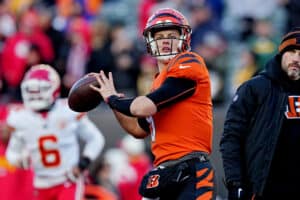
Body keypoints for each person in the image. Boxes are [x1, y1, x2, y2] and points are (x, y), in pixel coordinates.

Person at [89, 8, 214, 200]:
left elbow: (142, 107)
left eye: (171, 35)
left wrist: (112, 99)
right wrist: (113, 102)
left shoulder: (189, 61)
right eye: (160, 36)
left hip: (191, 167)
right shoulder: (158, 82)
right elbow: (138, 129)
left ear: (184, 38)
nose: (165, 40)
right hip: (164, 170)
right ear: (150, 41)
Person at [220, 27, 300, 200]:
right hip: (262, 189)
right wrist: (236, 183)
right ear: (281, 53)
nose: (296, 59)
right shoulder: (255, 88)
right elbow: (231, 138)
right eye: (292, 51)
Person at [5, 64, 105, 200]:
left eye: (40, 90)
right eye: (31, 91)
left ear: (54, 88)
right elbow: (11, 153)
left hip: (68, 179)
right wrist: (19, 160)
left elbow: (96, 138)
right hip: (40, 183)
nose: (35, 95)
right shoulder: (21, 117)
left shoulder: (68, 110)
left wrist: (83, 163)